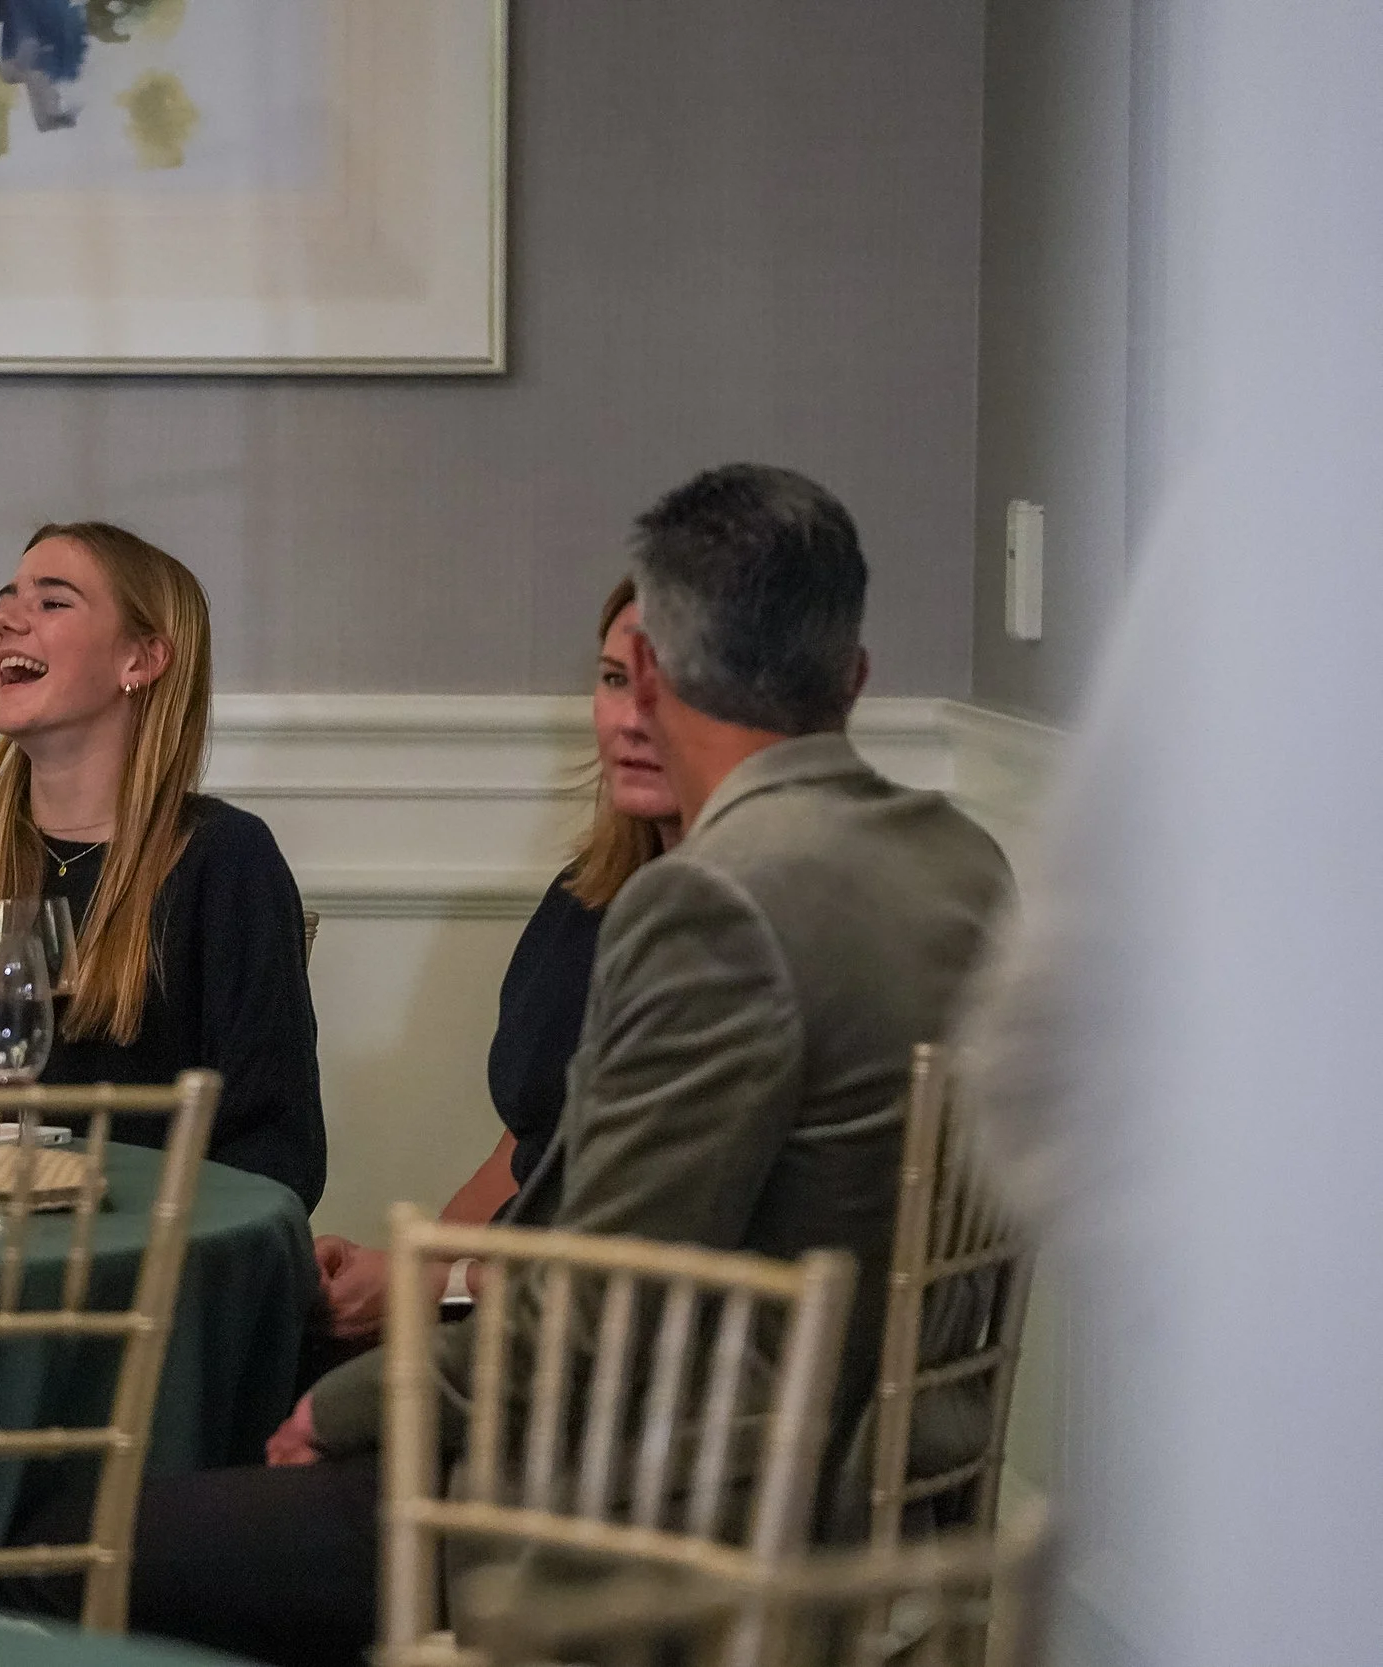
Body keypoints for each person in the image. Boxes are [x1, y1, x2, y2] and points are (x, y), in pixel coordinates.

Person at [97, 465, 1013, 1667]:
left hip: (672, 1516)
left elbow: (602, 1310)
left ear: (660, 670)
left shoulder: (714, 900)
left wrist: (357, 1402)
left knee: (74, 1544)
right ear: (851, 676)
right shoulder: (965, 860)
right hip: (892, 1487)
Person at [0, 521, 325, 1210]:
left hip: (149, 1281)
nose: (5, 620)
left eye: (52, 602)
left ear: (140, 659)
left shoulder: (227, 863)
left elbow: (276, 1153)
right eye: (4, 599)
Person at [307, 577, 681, 1362]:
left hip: (591, 1373)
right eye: (615, 679)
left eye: (674, 682)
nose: (632, 716)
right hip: (503, 1313)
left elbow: (641, 1259)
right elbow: (525, 1146)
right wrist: (413, 1269)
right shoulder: (587, 897)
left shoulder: (741, 936)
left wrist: (435, 1285)